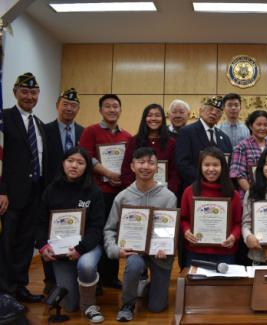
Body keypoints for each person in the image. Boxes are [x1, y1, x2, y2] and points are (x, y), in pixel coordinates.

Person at [104, 147, 177, 322]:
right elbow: (109, 229)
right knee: (135, 264)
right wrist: (115, 250)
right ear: (132, 166)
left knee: (157, 307)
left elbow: (171, 230)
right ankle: (128, 303)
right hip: (134, 250)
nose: (146, 166)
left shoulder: (169, 197)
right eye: (141, 162)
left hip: (159, 254)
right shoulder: (122, 197)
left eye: (151, 163)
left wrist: (166, 247)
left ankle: (145, 286)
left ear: (157, 168)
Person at [36, 147, 105, 322]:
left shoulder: (94, 192)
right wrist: (43, 245)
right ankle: (82, 289)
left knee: (86, 265)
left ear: (86, 167)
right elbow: (41, 222)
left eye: (80, 162)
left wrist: (80, 249)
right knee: (69, 305)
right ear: (63, 163)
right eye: (70, 161)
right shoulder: (51, 190)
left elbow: (97, 227)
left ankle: (89, 304)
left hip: (87, 247)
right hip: (60, 251)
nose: (74, 165)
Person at [0, 72, 46, 302]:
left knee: (26, 244)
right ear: (15, 93)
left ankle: (20, 287)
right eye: (24, 92)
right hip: (10, 196)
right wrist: (2, 190)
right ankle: (5, 291)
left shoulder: (38, 124)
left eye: (33, 92)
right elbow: (1, 158)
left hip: (34, 194)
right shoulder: (4, 118)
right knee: (7, 244)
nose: (29, 96)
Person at [79, 94, 132, 289]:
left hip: (119, 193)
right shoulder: (90, 131)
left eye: (115, 106)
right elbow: (87, 158)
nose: (112, 110)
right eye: (107, 106)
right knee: (98, 232)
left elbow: (129, 164)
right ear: (100, 110)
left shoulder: (127, 136)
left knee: (116, 233)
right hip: (97, 192)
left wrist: (122, 177)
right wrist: (109, 173)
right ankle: (97, 278)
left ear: (120, 110)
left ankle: (111, 276)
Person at [42, 87, 85, 294]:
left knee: (73, 234)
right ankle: (50, 280)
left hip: (76, 193)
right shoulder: (44, 130)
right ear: (57, 105)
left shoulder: (83, 132)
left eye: (73, 105)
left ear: (78, 109)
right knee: (50, 234)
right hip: (52, 191)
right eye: (65, 104)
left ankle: (78, 278)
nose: (69, 108)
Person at [181, 147, 242, 266]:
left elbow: (238, 223)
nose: (211, 169)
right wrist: (186, 231)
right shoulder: (189, 192)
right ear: (200, 167)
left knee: (222, 285)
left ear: (223, 167)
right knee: (196, 284)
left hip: (225, 252)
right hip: (196, 251)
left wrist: (234, 236)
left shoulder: (233, 194)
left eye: (215, 165)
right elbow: (184, 219)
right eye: (206, 165)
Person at [120, 103, 180, 195]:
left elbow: (175, 172)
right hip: (136, 194)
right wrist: (132, 192)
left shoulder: (171, 143)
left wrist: (168, 193)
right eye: (149, 115)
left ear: (163, 119)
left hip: (163, 195)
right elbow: (126, 169)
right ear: (144, 118)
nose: (153, 119)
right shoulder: (134, 141)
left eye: (157, 115)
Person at [175, 96, 232, 186]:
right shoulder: (187, 132)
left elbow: (228, 165)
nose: (213, 113)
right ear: (201, 111)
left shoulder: (225, 138)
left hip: (220, 188)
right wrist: (203, 182)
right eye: (210, 109)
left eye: (218, 111)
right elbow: (183, 163)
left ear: (220, 116)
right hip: (194, 187)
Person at [230, 110, 267, 198]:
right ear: (250, 126)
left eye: (266, 125)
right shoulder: (241, 146)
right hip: (249, 197)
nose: (262, 128)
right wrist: (253, 193)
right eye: (258, 124)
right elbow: (238, 174)